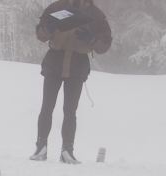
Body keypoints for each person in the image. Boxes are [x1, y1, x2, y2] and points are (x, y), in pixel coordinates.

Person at [31, 0, 112, 164]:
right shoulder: (56, 7)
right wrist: (48, 29)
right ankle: (41, 147)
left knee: (70, 111)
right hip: (55, 61)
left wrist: (92, 40)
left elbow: (104, 45)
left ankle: (67, 150)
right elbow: (40, 34)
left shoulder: (96, 15)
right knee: (47, 107)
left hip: (77, 64)